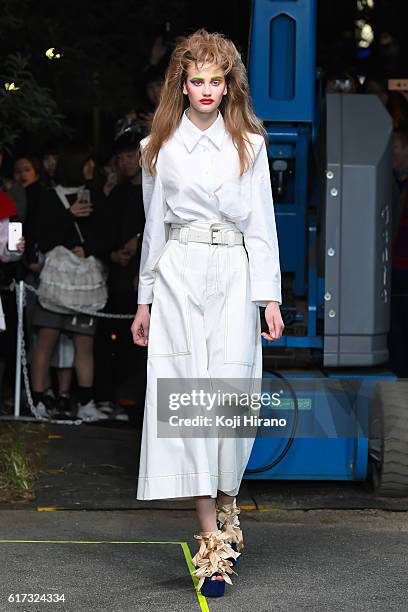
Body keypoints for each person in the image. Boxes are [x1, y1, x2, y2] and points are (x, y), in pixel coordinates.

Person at [130, 29, 284, 597]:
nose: (206, 90)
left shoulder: (251, 143)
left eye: (216, 81)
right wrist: (143, 300)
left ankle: (228, 502)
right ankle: (210, 543)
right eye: (197, 80)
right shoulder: (158, 146)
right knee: (188, 400)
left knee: (230, 398)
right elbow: (153, 229)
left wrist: (268, 297)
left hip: (235, 273)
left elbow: (263, 225)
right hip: (178, 273)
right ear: (182, 82)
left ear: (229, 84)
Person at [30, 142, 110, 422]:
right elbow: (43, 236)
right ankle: (39, 400)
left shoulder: (96, 195)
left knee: (84, 342)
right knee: (46, 341)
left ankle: (86, 402)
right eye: (86, 163)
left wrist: (88, 249)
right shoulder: (50, 196)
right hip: (56, 280)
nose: (91, 168)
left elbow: (106, 234)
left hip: (85, 283)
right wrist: (68, 216)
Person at [94, 130, 146, 420]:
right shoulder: (117, 194)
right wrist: (111, 253)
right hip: (116, 277)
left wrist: (139, 247)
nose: (125, 162)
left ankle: (135, 402)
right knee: (111, 339)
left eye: (130, 156)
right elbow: (103, 233)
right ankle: (112, 397)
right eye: (121, 157)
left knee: (139, 343)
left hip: (142, 280)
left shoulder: (157, 190)